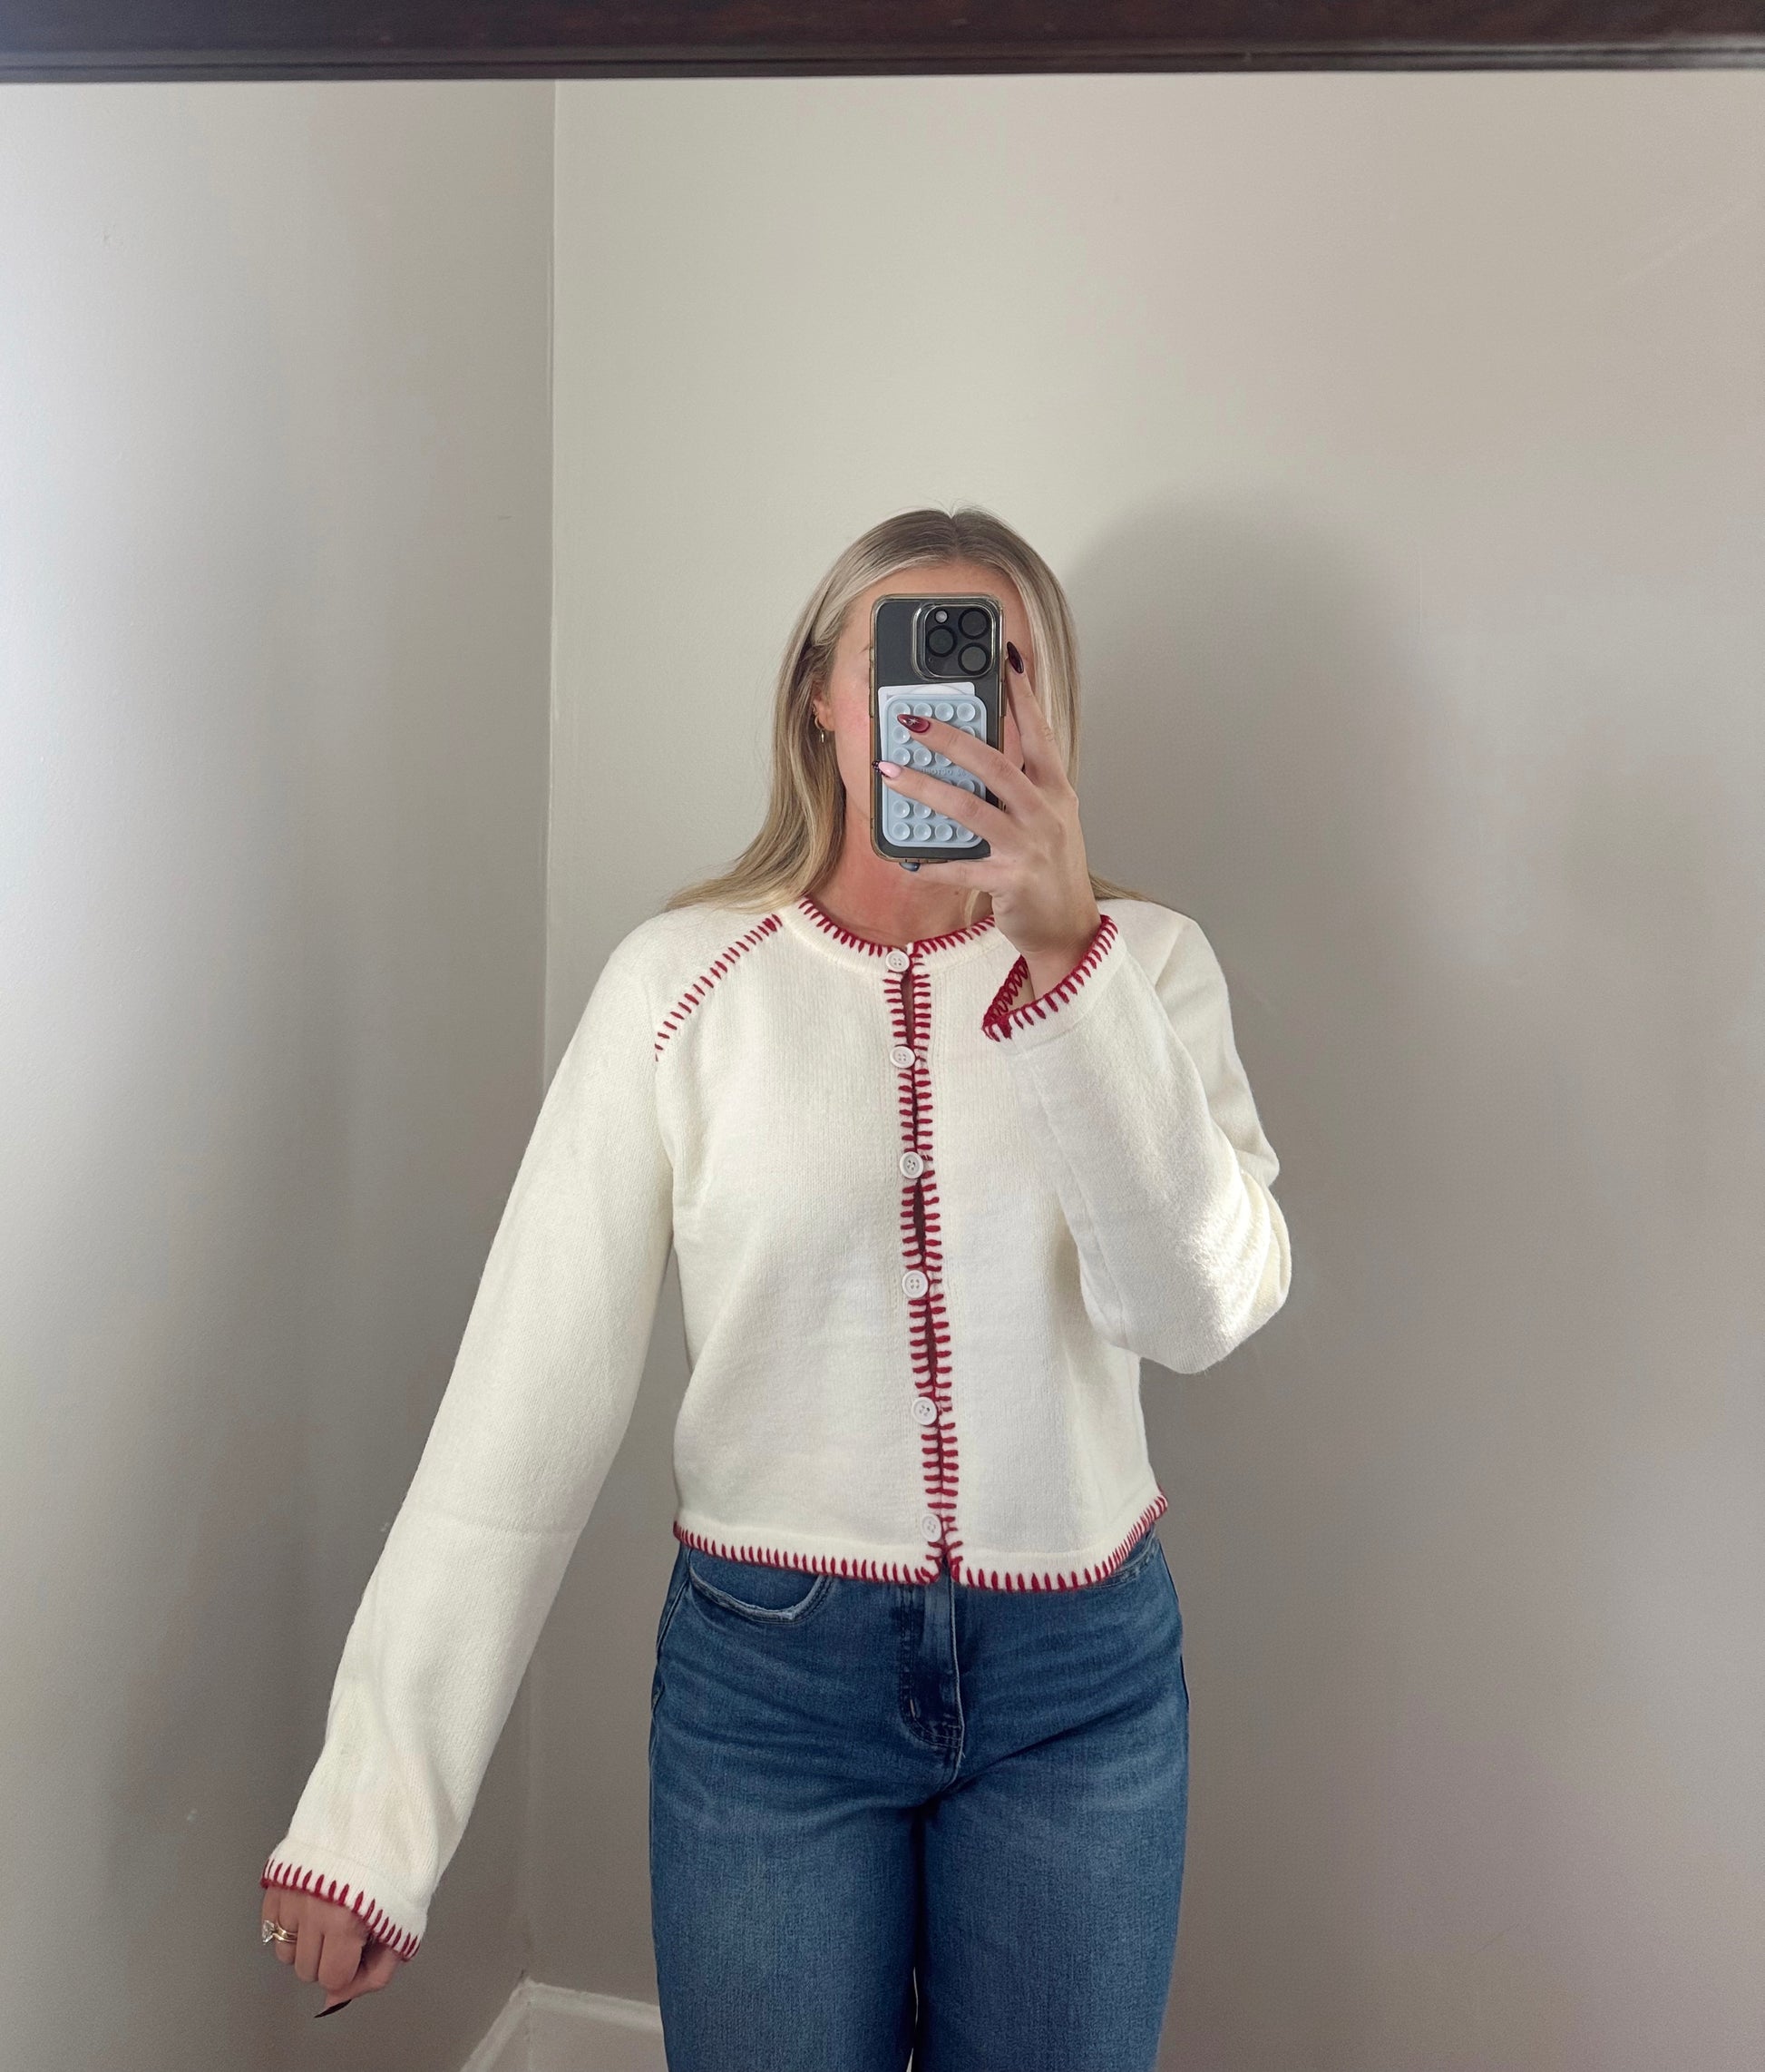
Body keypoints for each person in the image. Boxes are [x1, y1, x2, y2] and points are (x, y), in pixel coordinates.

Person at [258, 504, 1292, 2067]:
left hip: (1081, 1690)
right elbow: (524, 1399)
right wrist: (373, 1812)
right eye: (910, 656)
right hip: (768, 1689)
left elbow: (1201, 1309)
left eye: (1002, 662)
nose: (959, 700)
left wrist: (1063, 956)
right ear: (822, 694)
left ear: (1045, 706)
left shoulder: (1142, 967)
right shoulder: (679, 984)